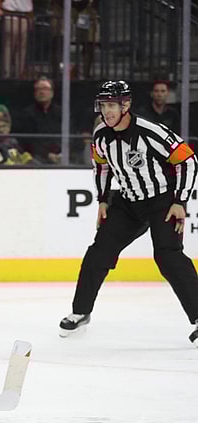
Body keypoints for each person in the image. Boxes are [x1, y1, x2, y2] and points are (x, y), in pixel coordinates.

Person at [59, 80, 198, 346]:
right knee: (98, 252)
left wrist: (180, 201)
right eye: (103, 105)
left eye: (112, 105)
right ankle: (81, 312)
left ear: (126, 105)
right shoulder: (101, 135)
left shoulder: (150, 131)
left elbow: (188, 160)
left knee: (168, 256)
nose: (106, 111)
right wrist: (102, 200)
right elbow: (101, 166)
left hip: (162, 201)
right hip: (129, 202)